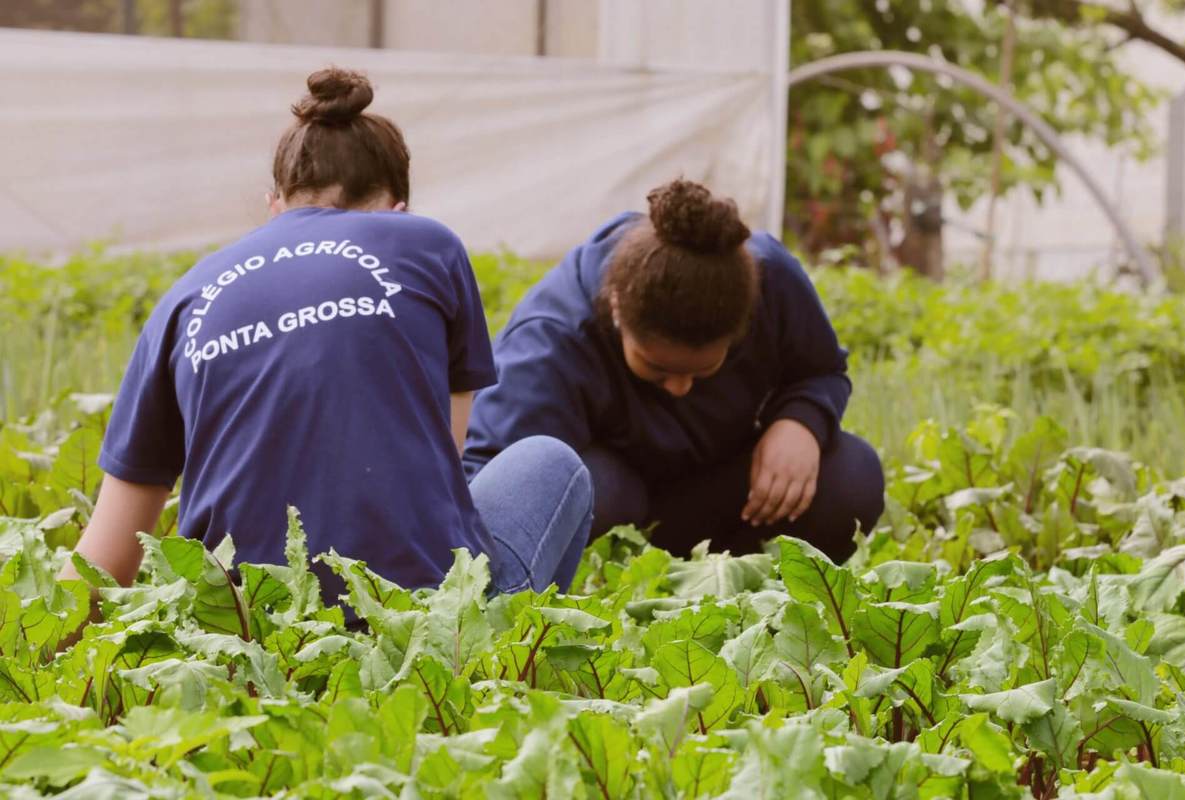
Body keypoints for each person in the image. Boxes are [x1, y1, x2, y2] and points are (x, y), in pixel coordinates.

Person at [64, 67, 592, 604]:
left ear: (273, 206)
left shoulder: (184, 297)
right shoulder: (426, 243)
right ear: (397, 211)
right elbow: (444, 467)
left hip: (236, 632)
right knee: (551, 463)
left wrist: (29, 659)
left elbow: (106, 555)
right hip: (414, 627)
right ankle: (495, 667)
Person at [464, 179, 883, 561]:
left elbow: (821, 371)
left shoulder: (769, 279)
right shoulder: (550, 341)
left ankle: (726, 581)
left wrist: (801, 421)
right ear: (616, 311)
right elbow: (495, 486)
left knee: (851, 475)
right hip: (615, 516)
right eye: (657, 368)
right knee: (598, 486)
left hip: (715, 493)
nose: (680, 388)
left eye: (704, 371)